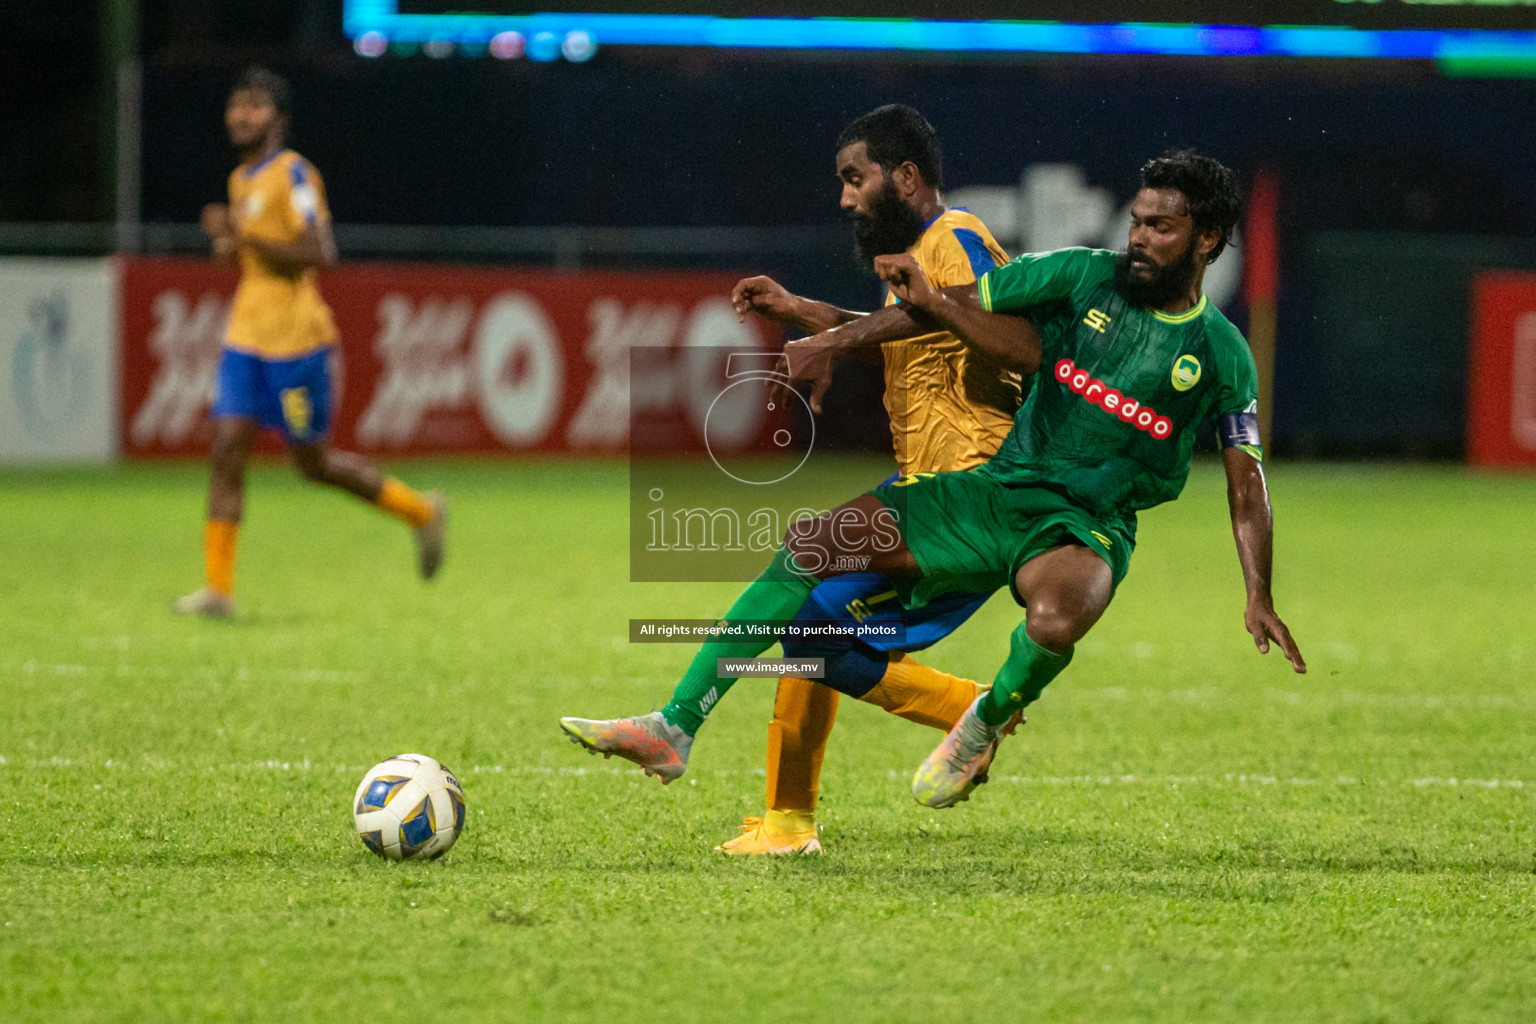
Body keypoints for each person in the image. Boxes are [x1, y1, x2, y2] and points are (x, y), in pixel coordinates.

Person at [564, 148, 1305, 815]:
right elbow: (956, 310)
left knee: (1052, 619)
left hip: (1087, 524)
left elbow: (1246, 485)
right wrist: (883, 312)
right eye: (1138, 222)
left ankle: (979, 722)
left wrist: (1258, 591)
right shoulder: (1082, 274)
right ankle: (676, 727)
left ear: (1206, 239)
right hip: (990, 493)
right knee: (810, 550)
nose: (1140, 238)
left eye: (1162, 228)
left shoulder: (1221, 353)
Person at [562, 106, 1034, 851]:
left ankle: (676, 727)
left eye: (856, 179)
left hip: (977, 496)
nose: (845, 198)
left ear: (905, 177)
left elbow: (961, 319)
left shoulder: (959, 239)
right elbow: (910, 338)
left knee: (804, 557)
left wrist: (836, 340)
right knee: (811, 624)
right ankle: (833, 791)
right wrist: (807, 314)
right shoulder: (923, 259)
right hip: (938, 494)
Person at [175, 67, 445, 619]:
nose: (239, 115)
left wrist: (243, 236)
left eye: (252, 106)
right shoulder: (241, 180)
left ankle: (420, 511)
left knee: (312, 463)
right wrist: (231, 248)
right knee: (227, 450)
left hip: (298, 343)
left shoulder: (294, 175)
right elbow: (258, 256)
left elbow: (321, 251)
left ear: (279, 119)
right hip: (245, 338)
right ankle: (218, 591)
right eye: (234, 105)